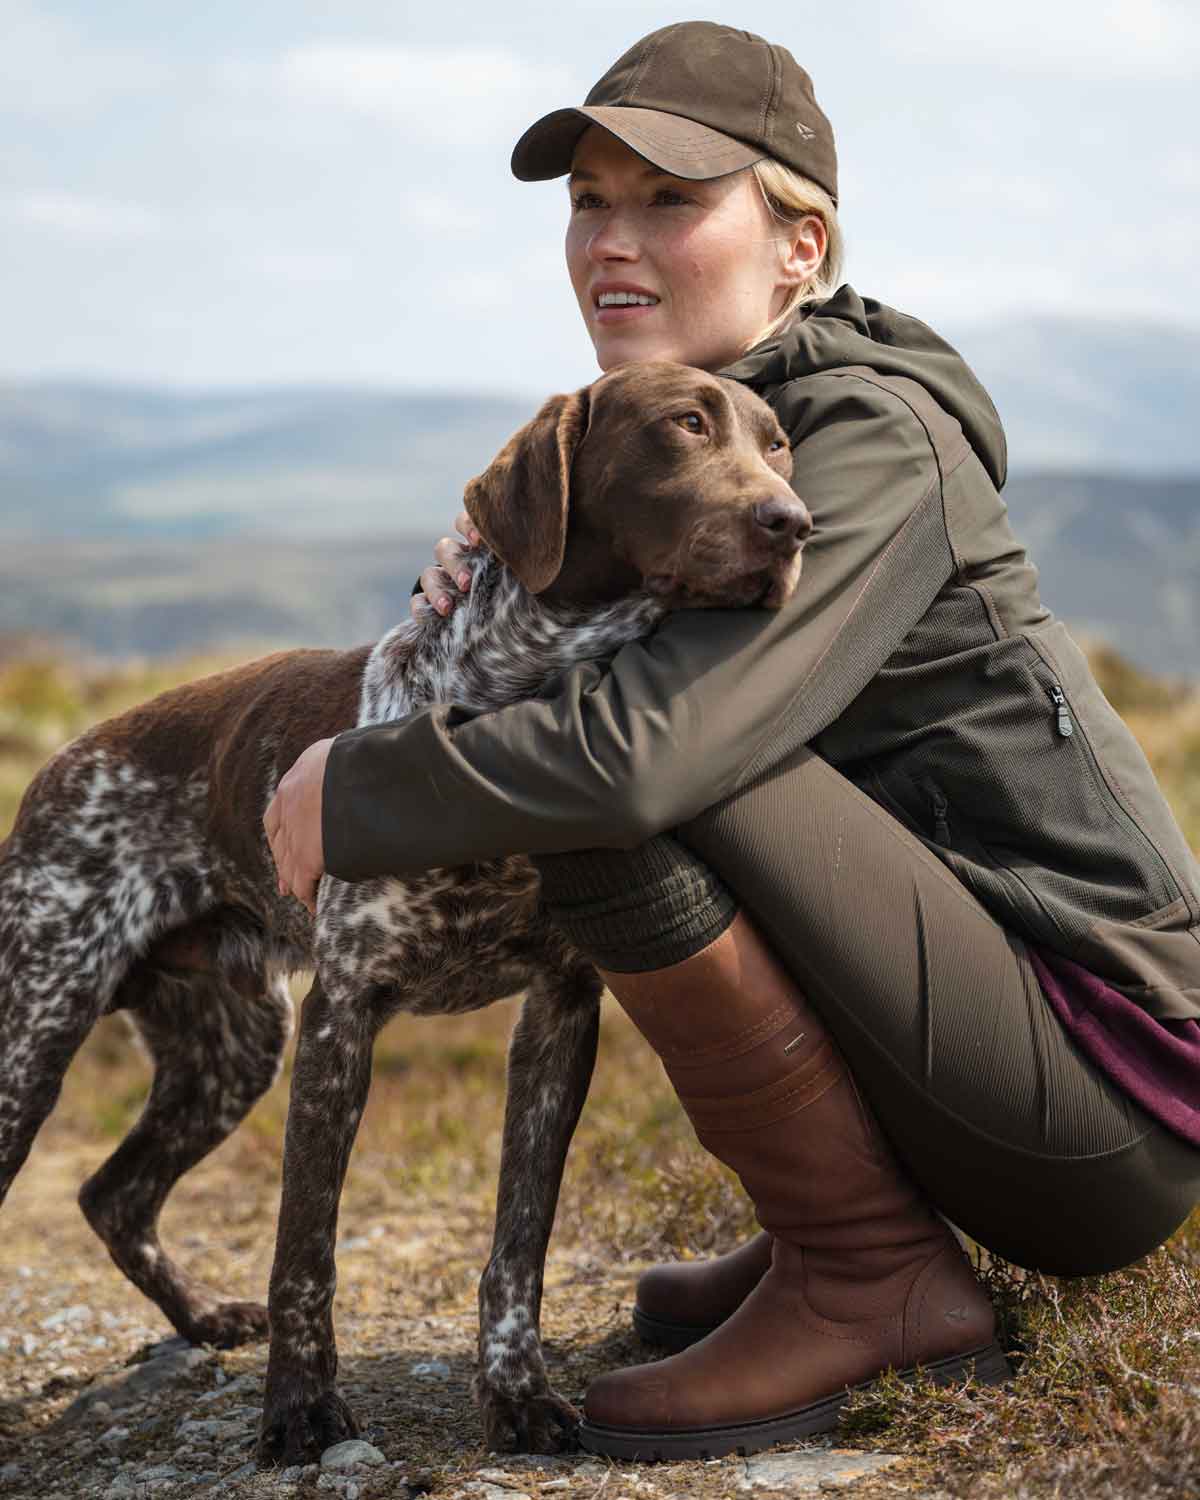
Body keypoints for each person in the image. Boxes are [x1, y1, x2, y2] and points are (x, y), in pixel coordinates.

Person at [264, 21, 1200, 1460]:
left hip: (1099, 1095)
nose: (609, 242)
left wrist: (360, 783)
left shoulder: (871, 440)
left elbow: (647, 753)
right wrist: (516, 530)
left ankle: (869, 1275)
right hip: (987, 1036)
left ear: (801, 246)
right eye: (589, 200)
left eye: (669, 200)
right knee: (610, 715)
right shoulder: (750, 429)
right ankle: (835, 1227)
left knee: (623, 769)